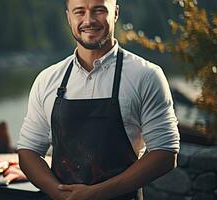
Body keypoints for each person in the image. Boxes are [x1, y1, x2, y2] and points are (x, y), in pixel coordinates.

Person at [17, 0, 180, 199]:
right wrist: (60, 194)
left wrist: (95, 194)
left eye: (99, 10)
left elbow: (165, 153)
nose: (89, 20)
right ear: (69, 17)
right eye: (79, 12)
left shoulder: (146, 76)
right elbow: (28, 151)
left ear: (116, 13)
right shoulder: (47, 79)